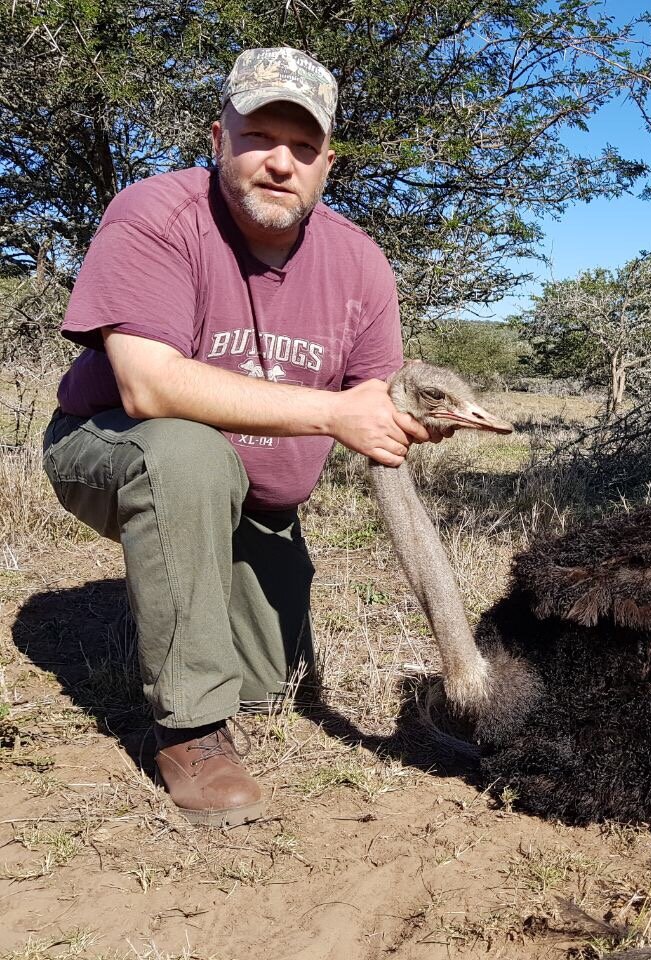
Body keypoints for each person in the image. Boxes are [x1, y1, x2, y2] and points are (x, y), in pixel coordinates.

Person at [41, 47, 445, 827]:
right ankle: (188, 729)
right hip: (114, 447)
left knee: (270, 687)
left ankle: (182, 602)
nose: (281, 164)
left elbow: (376, 397)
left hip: (262, 501)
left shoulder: (360, 262)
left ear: (328, 162)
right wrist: (331, 415)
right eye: (260, 137)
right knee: (188, 453)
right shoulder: (156, 215)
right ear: (218, 139)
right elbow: (148, 385)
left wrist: (417, 416)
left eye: (303, 148)